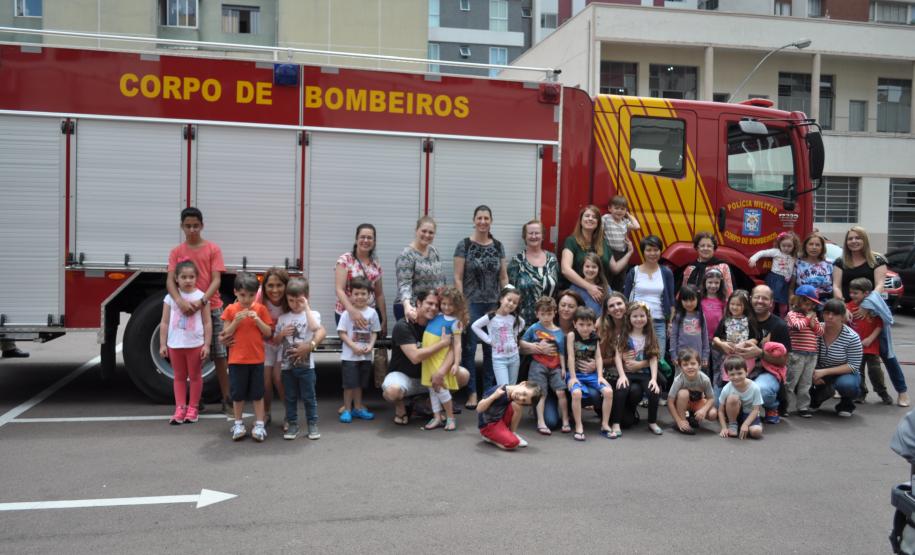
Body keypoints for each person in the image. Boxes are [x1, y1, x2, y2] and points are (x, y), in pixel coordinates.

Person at [832, 225, 910, 407]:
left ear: (865, 240)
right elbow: (836, 286)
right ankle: (847, 388)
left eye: (858, 238)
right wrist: (843, 308)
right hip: (848, 313)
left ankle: (902, 392)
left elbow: (879, 285)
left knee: (887, 354)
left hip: (872, 313)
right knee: (844, 353)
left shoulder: (877, 260)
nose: (854, 241)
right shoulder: (840, 261)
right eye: (850, 238)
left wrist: (867, 306)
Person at [167, 207, 229, 416]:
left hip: (211, 306)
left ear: (202, 225)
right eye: (188, 226)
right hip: (185, 311)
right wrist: (179, 301)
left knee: (219, 355)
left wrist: (202, 301)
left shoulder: (212, 249)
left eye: (195, 225)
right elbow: (170, 281)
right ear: (182, 227)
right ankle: (195, 400)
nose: (192, 230)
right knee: (192, 356)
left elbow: (216, 280)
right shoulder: (176, 252)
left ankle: (227, 398)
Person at [381, 288, 469, 425]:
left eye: (436, 305)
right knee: (392, 391)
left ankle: (426, 404)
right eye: (429, 303)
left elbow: (452, 349)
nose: (433, 308)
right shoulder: (403, 325)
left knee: (463, 375)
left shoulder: (439, 322)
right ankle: (400, 407)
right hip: (405, 376)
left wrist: (441, 372)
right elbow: (415, 357)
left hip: (430, 375)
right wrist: (441, 344)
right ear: (418, 303)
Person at [455, 205, 508, 409]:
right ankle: (471, 393)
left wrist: (506, 302)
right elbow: (458, 278)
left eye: (486, 218)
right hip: (472, 304)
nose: (483, 222)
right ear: (474, 220)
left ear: (491, 221)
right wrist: (462, 306)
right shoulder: (464, 245)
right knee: (469, 349)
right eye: (479, 218)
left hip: (493, 304)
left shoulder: (498, 246)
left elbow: (503, 277)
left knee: (492, 349)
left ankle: (488, 391)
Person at [221, 272, 274, 442]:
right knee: (238, 394)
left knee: (257, 394)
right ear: (235, 292)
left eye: (251, 295)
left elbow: (268, 333)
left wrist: (257, 320)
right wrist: (236, 321)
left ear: (256, 294)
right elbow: (225, 333)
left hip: (256, 359)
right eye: (243, 295)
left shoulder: (260, 309)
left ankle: (259, 424)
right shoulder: (230, 309)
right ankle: (238, 423)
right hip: (236, 360)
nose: (247, 299)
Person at [159, 260, 212, 425]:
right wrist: (162, 344)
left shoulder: (201, 298)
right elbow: (164, 322)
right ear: (176, 278)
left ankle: (193, 407)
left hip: (195, 344)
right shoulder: (170, 298)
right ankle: (180, 407)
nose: (188, 280)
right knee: (179, 377)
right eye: (183, 277)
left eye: (191, 277)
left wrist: (207, 345)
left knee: (195, 376)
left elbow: (207, 323)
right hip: (175, 345)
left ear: (197, 278)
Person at [275, 277, 325, 441]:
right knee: (290, 397)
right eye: (291, 300)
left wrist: (307, 307)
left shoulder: (313, 314)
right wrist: (282, 334)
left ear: (306, 298)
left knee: (309, 397)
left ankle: (312, 424)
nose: (295, 304)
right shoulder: (283, 318)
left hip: (306, 366)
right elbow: (275, 340)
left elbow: (315, 328)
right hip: (287, 366)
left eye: (299, 300)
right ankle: (293, 424)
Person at [520, 296, 571, 436]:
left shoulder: (559, 332)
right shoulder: (534, 328)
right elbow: (521, 343)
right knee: (540, 393)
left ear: (554, 313)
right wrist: (534, 346)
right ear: (537, 314)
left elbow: (561, 352)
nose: (546, 317)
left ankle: (565, 420)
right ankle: (540, 422)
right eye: (542, 314)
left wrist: (563, 368)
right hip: (538, 364)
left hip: (555, 366)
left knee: (561, 392)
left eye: (549, 314)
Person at [561, 204, 631, 301]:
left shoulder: (603, 243)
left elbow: (615, 268)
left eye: (594, 217)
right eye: (587, 216)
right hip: (578, 294)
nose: (590, 219)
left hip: (601, 294)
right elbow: (565, 270)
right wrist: (589, 287)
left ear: (598, 222)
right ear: (580, 220)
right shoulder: (571, 241)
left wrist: (629, 253)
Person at [614, 302, 664, 436]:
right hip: (627, 373)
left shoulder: (650, 336)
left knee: (654, 391)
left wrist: (654, 379)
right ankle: (616, 423)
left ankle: (652, 422)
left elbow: (653, 358)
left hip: (644, 374)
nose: (639, 319)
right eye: (635, 316)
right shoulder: (623, 336)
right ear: (629, 318)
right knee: (621, 390)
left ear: (647, 317)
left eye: (642, 316)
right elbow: (618, 357)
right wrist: (621, 375)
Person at [420, 286, 466, 431]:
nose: (446, 307)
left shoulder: (456, 322)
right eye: (444, 303)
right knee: (432, 389)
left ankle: (450, 417)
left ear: (457, 305)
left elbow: (457, 344)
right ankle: (437, 417)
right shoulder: (437, 315)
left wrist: (456, 363)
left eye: (450, 304)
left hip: (440, 359)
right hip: (429, 359)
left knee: (440, 388)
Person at [336, 277, 381, 424]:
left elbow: (374, 332)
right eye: (356, 294)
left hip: (365, 357)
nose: (360, 297)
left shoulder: (372, 313)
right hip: (350, 357)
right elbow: (342, 333)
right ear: (350, 295)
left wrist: (371, 345)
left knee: (360, 384)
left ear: (369, 295)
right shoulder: (346, 313)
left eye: (363, 293)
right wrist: (353, 346)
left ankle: (358, 408)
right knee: (349, 385)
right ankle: (347, 410)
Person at [623, 235, 675, 358]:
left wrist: (670, 323)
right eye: (649, 250)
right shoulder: (634, 272)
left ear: (660, 251)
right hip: (636, 322)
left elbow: (671, 300)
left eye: (656, 250)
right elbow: (625, 298)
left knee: (658, 359)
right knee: (635, 358)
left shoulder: (666, 272)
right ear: (643, 252)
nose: (652, 253)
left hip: (658, 321)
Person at [566, 307, 613, 441]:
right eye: (581, 324)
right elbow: (571, 356)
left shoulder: (595, 338)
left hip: (591, 375)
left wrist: (600, 376)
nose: (585, 328)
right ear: (575, 324)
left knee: (608, 392)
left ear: (593, 325)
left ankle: (605, 424)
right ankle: (579, 425)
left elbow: (598, 357)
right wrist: (573, 377)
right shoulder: (572, 336)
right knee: (576, 393)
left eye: (589, 325)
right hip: (576, 373)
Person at [810, 299, 863, 418]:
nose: (830, 317)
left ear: (842, 317)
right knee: (797, 374)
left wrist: (824, 372)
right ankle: (819, 395)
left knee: (847, 385)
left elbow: (853, 365)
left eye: (835, 314)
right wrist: (811, 374)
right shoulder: (815, 330)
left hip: (844, 373)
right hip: (816, 371)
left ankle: (846, 404)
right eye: (827, 313)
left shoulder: (852, 337)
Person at [746, 286, 792, 423]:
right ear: (750, 299)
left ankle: (772, 406)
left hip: (768, 371)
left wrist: (760, 353)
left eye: (765, 298)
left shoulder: (779, 325)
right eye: (757, 297)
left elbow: (783, 361)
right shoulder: (740, 320)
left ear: (771, 302)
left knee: (762, 390)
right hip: (741, 369)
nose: (760, 301)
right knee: (720, 402)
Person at [335, 222, 387, 336]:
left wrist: (384, 319)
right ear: (356, 239)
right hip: (346, 313)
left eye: (369, 238)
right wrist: (352, 311)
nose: (366, 240)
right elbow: (339, 289)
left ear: (374, 241)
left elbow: (379, 294)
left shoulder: (375, 264)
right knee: (350, 345)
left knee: (368, 345)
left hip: (369, 315)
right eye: (362, 237)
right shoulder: (345, 260)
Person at [847, 278, 893, 405]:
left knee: (875, 371)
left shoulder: (873, 307)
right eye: (851, 292)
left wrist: (870, 339)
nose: (852, 295)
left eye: (855, 293)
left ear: (866, 293)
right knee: (858, 371)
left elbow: (880, 325)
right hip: (856, 347)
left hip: (871, 346)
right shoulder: (849, 307)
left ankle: (882, 392)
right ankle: (861, 393)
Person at [508, 219, 559, 325]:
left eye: (537, 233)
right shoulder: (517, 261)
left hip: (548, 321)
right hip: (523, 323)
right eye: (530, 233)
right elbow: (509, 291)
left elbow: (558, 288)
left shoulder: (552, 259)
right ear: (524, 236)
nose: (534, 236)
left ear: (543, 236)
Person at [471, 286, 524, 387]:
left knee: (512, 387)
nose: (511, 304)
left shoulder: (514, 317)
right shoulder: (491, 316)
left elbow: (522, 323)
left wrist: (514, 335)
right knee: (504, 388)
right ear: (501, 299)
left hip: (514, 357)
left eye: (515, 302)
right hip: (499, 359)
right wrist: (489, 340)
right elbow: (475, 326)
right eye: (509, 300)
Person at [395, 216, 446, 322]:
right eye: (424, 231)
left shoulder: (434, 251)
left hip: (431, 309)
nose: (427, 235)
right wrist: (407, 306)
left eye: (431, 232)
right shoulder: (407, 255)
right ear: (416, 230)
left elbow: (440, 279)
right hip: (413, 309)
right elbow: (404, 284)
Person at [785, 285, 824, 417]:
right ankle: (784, 406)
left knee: (806, 383)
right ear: (797, 301)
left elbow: (820, 332)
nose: (809, 307)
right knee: (791, 382)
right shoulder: (792, 315)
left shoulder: (812, 316)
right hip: (796, 353)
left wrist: (813, 324)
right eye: (806, 304)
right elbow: (798, 326)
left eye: (812, 305)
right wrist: (808, 319)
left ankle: (803, 407)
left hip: (811, 354)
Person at [711, 290, 759, 390]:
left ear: (745, 306)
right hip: (730, 357)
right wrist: (722, 344)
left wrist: (745, 343)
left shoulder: (749, 320)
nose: (734, 307)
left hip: (745, 357)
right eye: (732, 304)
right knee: (728, 381)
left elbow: (756, 338)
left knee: (745, 382)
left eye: (738, 305)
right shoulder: (726, 320)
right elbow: (715, 337)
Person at [259, 267, 288, 426]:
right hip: (266, 343)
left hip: (284, 343)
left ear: (286, 285)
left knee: (278, 378)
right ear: (264, 287)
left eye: (279, 285)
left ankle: (290, 415)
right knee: (265, 381)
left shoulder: (290, 297)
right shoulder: (260, 297)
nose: (275, 290)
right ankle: (266, 413)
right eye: (270, 285)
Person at [477, 381, 542, 450]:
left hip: (499, 418)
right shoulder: (498, 391)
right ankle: (488, 437)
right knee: (513, 443)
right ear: (523, 384)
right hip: (489, 424)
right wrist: (494, 396)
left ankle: (512, 433)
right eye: (524, 393)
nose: (520, 397)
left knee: (517, 405)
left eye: (523, 400)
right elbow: (479, 409)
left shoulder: (512, 396)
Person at [748, 231, 799, 317]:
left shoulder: (794, 256)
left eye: (789, 246)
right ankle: (768, 316)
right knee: (772, 301)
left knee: (783, 303)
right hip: (775, 279)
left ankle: (783, 318)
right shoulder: (777, 252)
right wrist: (753, 259)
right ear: (779, 244)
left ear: (794, 246)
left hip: (785, 282)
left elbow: (795, 267)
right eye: (783, 245)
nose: (786, 248)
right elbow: (763, 252)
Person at [667, 347, 717, 435]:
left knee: (713, 414)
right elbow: (670, 402)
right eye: (685, 365)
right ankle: (683, 421)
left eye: (693, 363)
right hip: (682, 403)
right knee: (683, 393)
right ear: (680, 367)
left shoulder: (705, 379)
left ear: (699, 365)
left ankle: (692, 417)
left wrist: (703, 410)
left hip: (697, 402)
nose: (690, 367)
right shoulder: (678, 380)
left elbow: (711, 398)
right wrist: (678, 420)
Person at [717, 355, 764, 440]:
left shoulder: (754, 387)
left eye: (739, 373)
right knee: (732, 398)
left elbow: (756, 410)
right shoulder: (727, 388)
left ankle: (747, 425)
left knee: (756, 432)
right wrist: (724, 428)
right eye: (732, 374)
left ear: (746, 372)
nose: (736, 377)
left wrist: (746, 424)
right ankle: (733, 424)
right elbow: (720, 410)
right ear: (727, 375)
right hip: (734, 414)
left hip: (749, 414)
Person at [601, 195, 640, 291]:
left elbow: (637, 226)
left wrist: (628, 215)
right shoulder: (606, 218)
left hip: (622, 253)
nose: (619, 211)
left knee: (620, 277)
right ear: (610, 209)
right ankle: (606, 294)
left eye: (622, 209)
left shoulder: (625, 222)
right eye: (616, 208)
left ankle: (618, 293)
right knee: (607, 276)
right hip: (609, 252)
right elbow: (599, 230)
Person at [681, 231, 734, 298]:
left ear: (714, 248)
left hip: (717, 304)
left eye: (709, 246)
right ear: (697, 248)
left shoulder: (723, 267)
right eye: (702, 246)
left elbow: (729, 292)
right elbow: (683, 292)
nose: (705, 248)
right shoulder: (690, 268)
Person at [668, 284, 709, 370]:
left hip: (697, 358)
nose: (689, 303)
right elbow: (673, 337)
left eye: (692, 300)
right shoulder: (678, 316)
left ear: (697, 299)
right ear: (681, 301)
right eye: (685, 300)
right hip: (681, 358)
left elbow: (705, 336)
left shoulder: (700, 316)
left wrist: (705, 355)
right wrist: (674, 355)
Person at [793, 232, 833, 304]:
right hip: (804, 303)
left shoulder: (830, 263)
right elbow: (791, 287)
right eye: (811, 244)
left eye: (817, 245)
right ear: (805, 246)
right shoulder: (797, 263)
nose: (814, 247)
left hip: (826, 303)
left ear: (822, 248)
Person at [700, 267, 727, 374]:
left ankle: (717, 384)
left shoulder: (722, 300)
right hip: (702, 338)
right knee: (704, 365)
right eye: (710, 282)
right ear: (704, 283)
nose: (713, 285)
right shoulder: (700, 298)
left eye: (716, 283)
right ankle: (704, 384)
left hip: (717, 339)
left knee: (718, 366)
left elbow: (725, 318)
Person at [569, 252, 611, 317]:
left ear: (599, 269)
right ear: (582, 268)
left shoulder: (606, 287)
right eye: (587, 266)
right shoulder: (574, 288)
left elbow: (610, 308)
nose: (590, 269)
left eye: (594, 267)